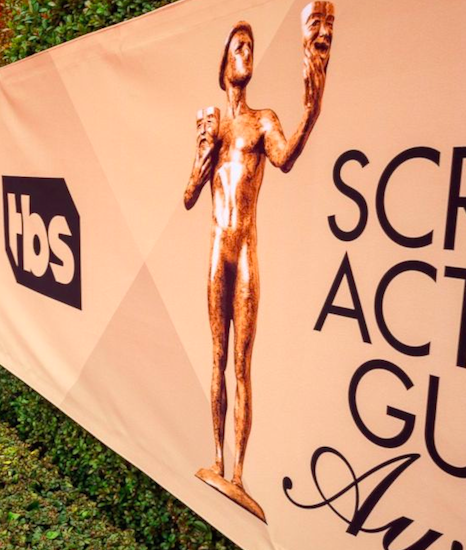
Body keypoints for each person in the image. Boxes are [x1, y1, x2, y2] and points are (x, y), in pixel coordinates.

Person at [183, 1, 335, 522]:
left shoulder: (262, 121)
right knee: (216, 359)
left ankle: (240, 475)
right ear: (224, 63)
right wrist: (201, 159)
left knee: (242, 367)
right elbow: (188, 196)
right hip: (216, 254)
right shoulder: (213, 127)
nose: (246, 54)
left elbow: (286, 158)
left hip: (244, 250)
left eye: (250, 47)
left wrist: (312, 108)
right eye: (239, 48)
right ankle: (217, 459)